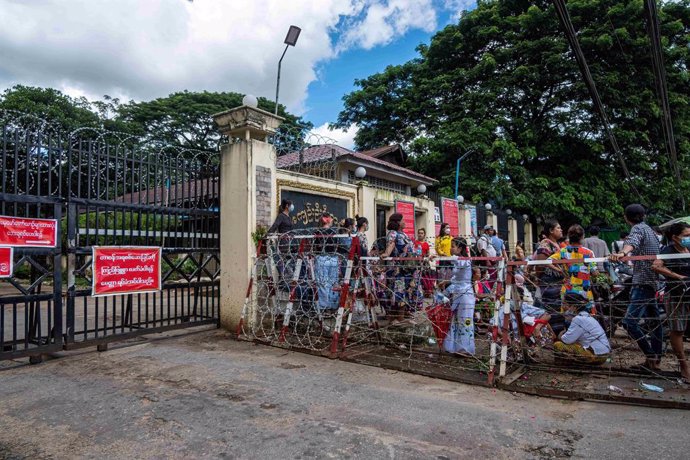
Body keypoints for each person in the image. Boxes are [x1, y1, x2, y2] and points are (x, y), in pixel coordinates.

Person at [610, 204, 661, 371]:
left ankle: (651, 356)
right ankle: (655, 358)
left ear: (626, 218)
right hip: (651, 281)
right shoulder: (651, 231)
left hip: (642, 281)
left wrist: (622, 253)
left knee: (629, 323)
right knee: (654, 321)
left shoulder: (638, 229)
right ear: (644, 215)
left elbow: (632, 241)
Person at [652, 222, 690, 381]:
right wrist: (677, 276)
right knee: (677, 330)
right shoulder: (667, 251)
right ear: (675, 238)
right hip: (676, 295)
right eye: (686, 236)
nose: (689, 238)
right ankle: (684, 366)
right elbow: (656, 266)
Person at [549, 225, 599, 309]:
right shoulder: (589, 253)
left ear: (569, 237)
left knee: (568, 317)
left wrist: (560, 270)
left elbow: (548, 261)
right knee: (586, 317)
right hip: (584, 291)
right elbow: (594, 273)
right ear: (583, 237)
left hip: (568, 290)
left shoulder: (563, 251)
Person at [553, 293, 611, 365]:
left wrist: (561, 334)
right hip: (603, 354)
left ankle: (564, 364)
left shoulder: (578, 319)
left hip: (595, 355)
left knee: (558, 345)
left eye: (565, 304)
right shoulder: (586, 316)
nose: (563, 306)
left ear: (574, 307)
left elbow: (566, 340)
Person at [442, 237, 476, 355]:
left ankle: (465, 349)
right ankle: (455, 347)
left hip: (466, 295)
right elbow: (456, 277)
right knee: (455, 320)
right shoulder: (459, 261)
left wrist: (442, 257)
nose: (451, 248)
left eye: (453, 246)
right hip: (457, 293)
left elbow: (457, 261)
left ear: (460, 248)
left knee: (465, 320)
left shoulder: (465, 260)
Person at [381, 213, 415, 321]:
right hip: (397, 269)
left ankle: (402, 315)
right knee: (398, 292)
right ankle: (397, 318)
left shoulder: (403, 234)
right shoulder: (393, 233)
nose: (405, 222)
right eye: (403, 220)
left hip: (406, 269)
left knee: (404, 291)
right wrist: (386, 253)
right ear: (397, 222)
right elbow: (391, 244)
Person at [532, 219, 564, 310]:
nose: (561, 230)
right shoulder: (545, 244)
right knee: (549, 308)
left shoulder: (556, 244)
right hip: (549, 284)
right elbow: (540, 265)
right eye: (558, 228)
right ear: (551, 231)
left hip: (556, 283)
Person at [313, 213, 339, 311]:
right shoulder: (334, 231)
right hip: (333, 258)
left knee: (322, 283)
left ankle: (324, 306)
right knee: (333, 282)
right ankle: (333, 305)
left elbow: (315, 247)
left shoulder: (317, 232)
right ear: (328, 220)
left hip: (322, 258)